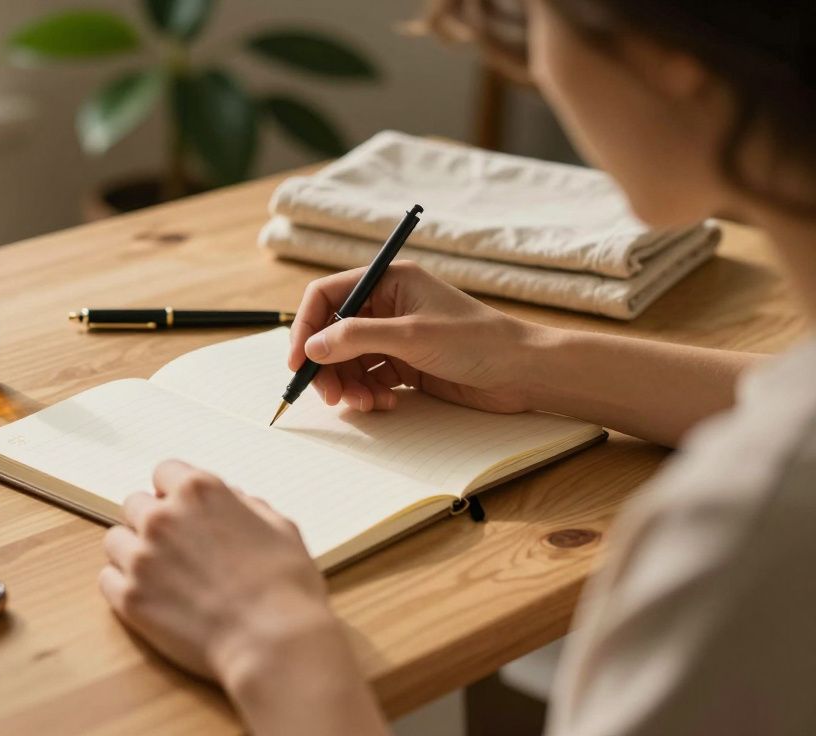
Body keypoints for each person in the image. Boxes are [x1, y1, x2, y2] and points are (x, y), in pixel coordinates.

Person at [96, 0, 816, 734]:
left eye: (543, 19)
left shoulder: (742, 539)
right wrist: (527, 357)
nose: (539, 66)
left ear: (668, 60)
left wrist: (269, 639)